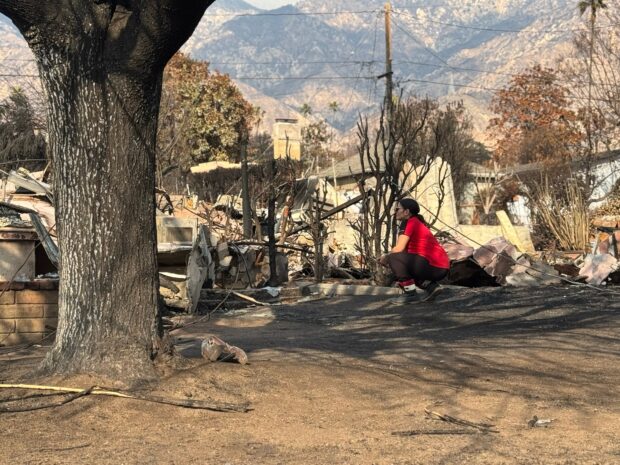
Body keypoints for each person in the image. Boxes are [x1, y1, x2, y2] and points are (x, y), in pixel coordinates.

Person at [379, 198, 450, 304]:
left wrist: (386, 256)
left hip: (433, 265)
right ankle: (432, 287)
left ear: (406, 212)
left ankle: (410, 294)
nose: (395, 212)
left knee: (393, 257)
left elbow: (399, 248)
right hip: (440, 267)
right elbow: (404, 253)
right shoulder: (416, 222)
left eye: (397, 209)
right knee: (401, 263)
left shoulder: (409, 222)